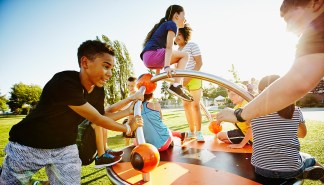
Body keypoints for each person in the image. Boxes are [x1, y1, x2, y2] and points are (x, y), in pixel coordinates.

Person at [0, 40, 143, 184]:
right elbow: (98, 119)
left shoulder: (99, 90)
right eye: (106, 67)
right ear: (85, 62)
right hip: (29, 145)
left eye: (112, 68)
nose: (110, 74)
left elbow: (102, 116)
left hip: (65, 147)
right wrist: (128, 128)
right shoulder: (64, 82)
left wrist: (129, 110)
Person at [215, 0, 324, 124]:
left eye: (290, 19)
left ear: (316, 2)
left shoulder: (319, 27)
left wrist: (239, 114)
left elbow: (297, 83)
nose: (288, 29)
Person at [250, 75, 324, 183]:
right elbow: (302, 134)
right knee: (310, 158)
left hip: (261, 169)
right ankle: (303, 173)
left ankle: (301, 172)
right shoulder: (296, 111)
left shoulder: (253, 112)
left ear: (261, 93)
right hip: (291, 169)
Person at [140, 4, 193, 102]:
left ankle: (178, 84)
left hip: (148, 59)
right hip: (152, 55)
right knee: (185, 55)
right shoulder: (172, 24)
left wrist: (157, 75)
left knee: (178, 63)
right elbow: (169, 47)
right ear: (176, 15)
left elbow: (161, 48)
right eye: (183, 15)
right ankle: (176, 85)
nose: (185, 19)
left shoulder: (164, 26)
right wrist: (167, 67)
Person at [174, 24, 204, 142]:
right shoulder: (177, 51)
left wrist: (189, 78)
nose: (177, 37)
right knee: (186, 106)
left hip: (194, 78)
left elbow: (199, 63)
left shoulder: (192, 45)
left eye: (179, 34)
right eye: (175, 36)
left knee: (195, 106)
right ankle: (192, 131)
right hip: (183, 80)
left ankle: (199, 132)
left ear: (185, 34)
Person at [122, 76, 137, 146]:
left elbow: (131, 112)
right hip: (130, 119)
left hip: (135, 120)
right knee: (127, 139)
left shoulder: (136, 95)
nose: (130, 88)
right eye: (128, 85)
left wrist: (129, 124)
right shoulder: (130, 94)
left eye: (132, 86)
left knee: (136, 140)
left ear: (136, 85)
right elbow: (127, 107)